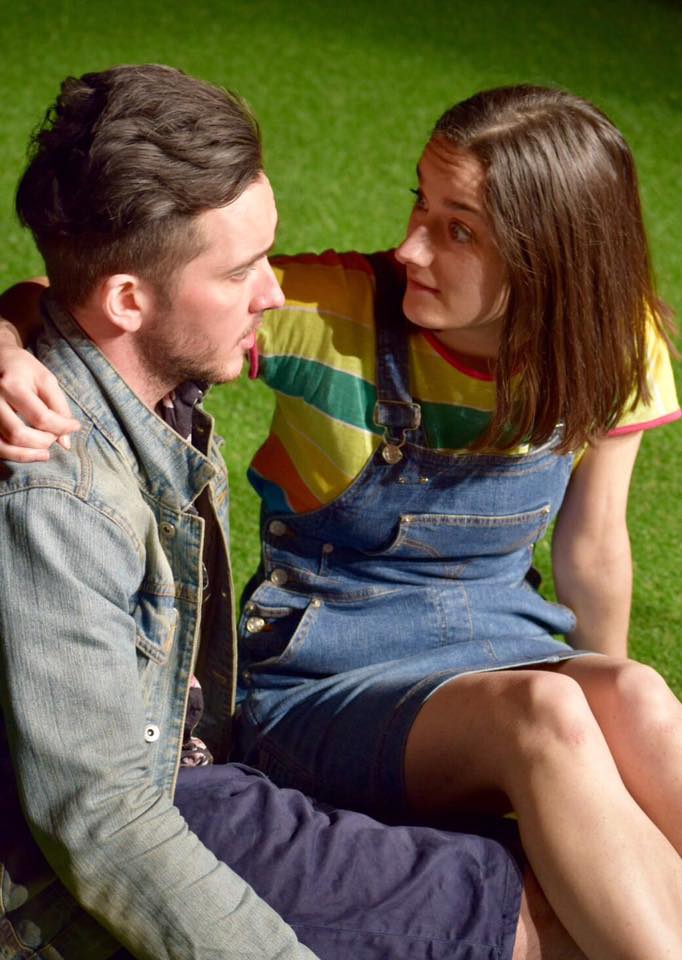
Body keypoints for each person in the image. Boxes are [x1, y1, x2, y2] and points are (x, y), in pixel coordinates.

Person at [0, 65, 594, 960]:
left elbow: (48, 299)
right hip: (161, 817)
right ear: (128, 299)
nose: (274, 292)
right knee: (533, 913)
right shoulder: (57, 493)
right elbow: (105, 820)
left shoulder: (143, 384)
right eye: (241, 269)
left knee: (569, 853)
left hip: (203, 769)